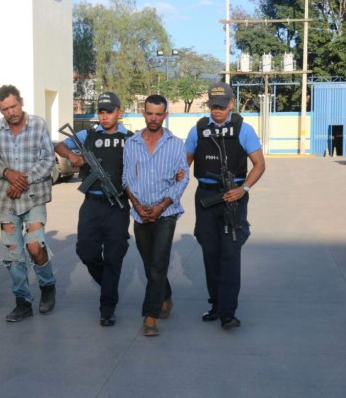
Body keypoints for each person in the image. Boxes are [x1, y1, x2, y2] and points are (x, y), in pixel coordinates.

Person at [185, 81, 266, 330]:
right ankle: (216, 305)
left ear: (231, 104)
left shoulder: (244, 129)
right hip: (206, 197)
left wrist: (244, 189)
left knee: (230, 253)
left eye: (221, 105)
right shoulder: (197, 130)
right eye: (213, 105)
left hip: (234, 196)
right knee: (210, 252)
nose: (216, 110)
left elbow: (259, 164)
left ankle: (228, 312)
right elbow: (183, 165)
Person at [54, 92, 134, 327]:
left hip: (117, 205)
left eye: (109, 111)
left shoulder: (129, 138)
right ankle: (109, 285)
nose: (105, 116)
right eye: (101, 112)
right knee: (85, 251)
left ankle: (107, 307)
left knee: (114, 255)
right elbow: (59, 145)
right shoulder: (86, 135)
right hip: (92, 202)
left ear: (119, 112)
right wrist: (72, 156)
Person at [0, 84, 57, 322]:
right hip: (7, 200)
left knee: (35, 246)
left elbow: (48, 160)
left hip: (34, 196)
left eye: (13, 106)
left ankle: (47, 286)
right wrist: (7, 173)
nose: (11, 112)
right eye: (5, 109)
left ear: (21, 102)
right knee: (13, 253)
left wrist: (22, 181)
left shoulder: (38, 125)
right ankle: (22, 302)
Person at [122, 94, 189, 337]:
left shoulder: (176, 144)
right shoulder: (132, 144)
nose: (153, 118)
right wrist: (138, 206)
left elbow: (184, 178)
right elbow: (126, 179)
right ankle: (166, 296)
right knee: (151, 264)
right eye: (149, 113)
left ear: (165, 115)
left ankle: (150, 317)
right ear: (143, 112)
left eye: (158, 114)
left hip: (167, 212)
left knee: (158, 262)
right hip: (140, 214)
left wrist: (161, 207)